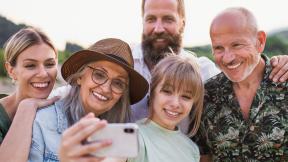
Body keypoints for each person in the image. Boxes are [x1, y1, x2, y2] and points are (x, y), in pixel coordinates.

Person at [50, 0, 288, 124]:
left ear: (182, 23)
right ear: (142, 22)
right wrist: (29, 103)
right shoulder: (124, 61)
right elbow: (76, 89)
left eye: (168, 19)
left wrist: (275, 63)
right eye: (151, 19)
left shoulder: (201, 70)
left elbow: (240, 76)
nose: (158, 28)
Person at [28, 38, 149, 162]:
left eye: (118, 83)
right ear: (80, 77)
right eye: (99, 75)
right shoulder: (43, 121)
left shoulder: (116, 136)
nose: (106, 89)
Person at [193, 7, 288, 162]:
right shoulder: (205, 96)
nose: (228, 58)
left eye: (237, 45)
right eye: (219, 48)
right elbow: (204, 156)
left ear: (260, 41)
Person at [127, 54, 204, 162]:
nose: (175, 103)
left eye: (186, 96)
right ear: (152, 90)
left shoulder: (192, 150)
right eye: (167, 91)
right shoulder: (132, 137)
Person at [0, 27, 59, 162]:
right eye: (30, 65)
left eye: (49, 64)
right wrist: (26, 108)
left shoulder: (58, 113)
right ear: (11, 70)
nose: (43, 73)